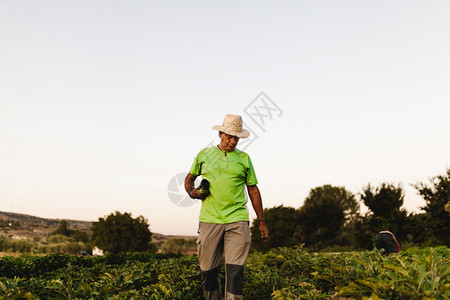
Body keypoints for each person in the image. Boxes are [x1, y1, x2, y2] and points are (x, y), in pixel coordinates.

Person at [185, 113, 270, 300]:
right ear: (220, 134)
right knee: (208, 273)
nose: (232, 141)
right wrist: (193, 193)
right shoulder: (204, 155)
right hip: (209, 220)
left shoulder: (245, 159)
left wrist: (261, 221)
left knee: (235, 272)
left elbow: (253, 190)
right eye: (229, 136)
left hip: (237, 219)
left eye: (236, 138)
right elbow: (189, 180)